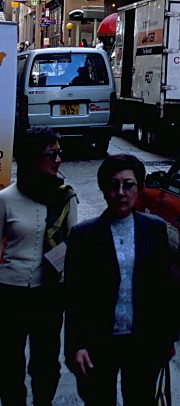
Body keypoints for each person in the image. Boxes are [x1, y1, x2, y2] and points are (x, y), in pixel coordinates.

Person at [65, 154, 177, 406]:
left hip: (143, 340)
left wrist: (168, 338)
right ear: (103, 189)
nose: (120, 193)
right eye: (113, 185)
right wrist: (76, 346)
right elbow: (74, 297)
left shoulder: (155, 229)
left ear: (139, 188)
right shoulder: (84, 236)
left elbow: (164, 290)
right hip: (99, 341)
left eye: (128, 185)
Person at [0, 128, 77, 406]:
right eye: (50, 154)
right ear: (32, 159)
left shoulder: (65, 197)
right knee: (9, 362)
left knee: (46, 363)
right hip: (9, 293)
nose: (58, 159)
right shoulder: (6, 199)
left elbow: (74, 244)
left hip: (49, 293)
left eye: (59, 153)